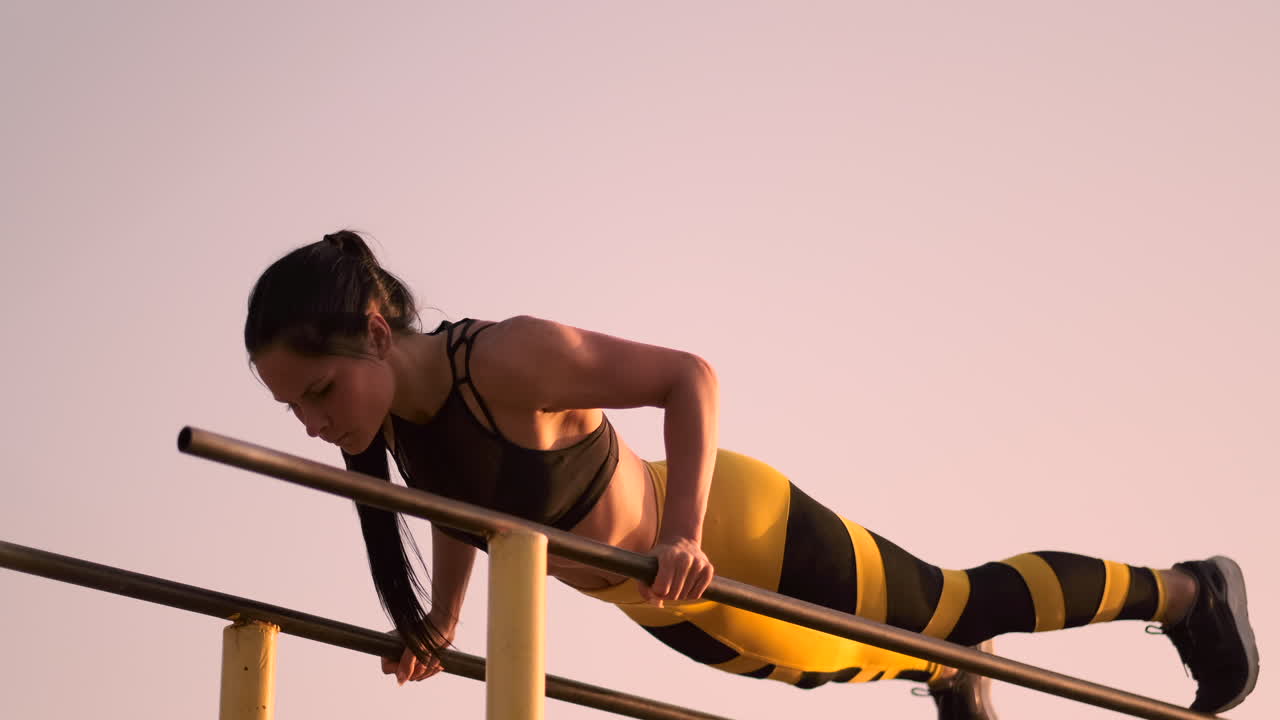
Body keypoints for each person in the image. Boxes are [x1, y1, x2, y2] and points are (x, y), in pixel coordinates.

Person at [243, 231, 1258, 718]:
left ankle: (1185, 591)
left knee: (954, 601)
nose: (315, 422)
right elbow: (471, 519)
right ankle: (947, 668)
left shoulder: (505, 358)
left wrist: (683, 529)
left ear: (374, 332)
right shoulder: (407, 430)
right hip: (669, 607)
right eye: (295, 408)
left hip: (734, 530)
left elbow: (687, 377)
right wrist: (448, 621)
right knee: (842, 666)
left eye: (320, 390)